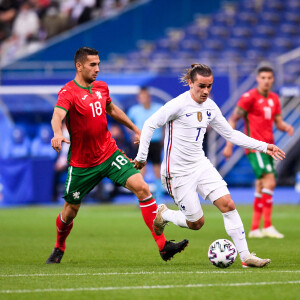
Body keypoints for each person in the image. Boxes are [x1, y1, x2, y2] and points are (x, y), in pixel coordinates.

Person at [134, 63, 286, 268]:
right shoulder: (177, 105)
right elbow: (150, 124)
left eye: (209, 86)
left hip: (200, 164)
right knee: (196, 223)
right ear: (190, 83)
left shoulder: (210, 107)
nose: (206, 91)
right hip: (176, 172)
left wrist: (264, 146)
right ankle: (165, 214)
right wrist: (142, 157)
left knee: (228, 204)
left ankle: (246, 256)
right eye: (201, 86)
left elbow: (230, 134)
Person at [46, 47, 188, 264]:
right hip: (82, 164)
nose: (97, 69)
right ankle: (59, 246)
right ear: (79, 66)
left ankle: (163, 246)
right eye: (93, 65)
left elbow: (111, 110)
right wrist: (57, 133)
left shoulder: (101, 87)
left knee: (142, 187)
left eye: (99, 64)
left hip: (109, 153)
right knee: (70, 211)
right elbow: (58, 114)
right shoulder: (68, 92)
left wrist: (135, 128)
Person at [223, 65, 294, 239]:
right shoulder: (249, 98)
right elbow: (232, 119)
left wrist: (286, 127)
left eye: (269, 78)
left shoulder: (274, 99)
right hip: (256, 147)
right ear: (257, 79)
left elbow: (278, 122)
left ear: (273, 80)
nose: (266, 81)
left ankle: (255, 228)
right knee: (270, 182)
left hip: (270, 147)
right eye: (263, 77)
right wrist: (229, 145)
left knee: (261, 185)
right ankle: (268, 225)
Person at [127, 87, 164, 202]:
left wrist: (163, 136)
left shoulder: (158, 108)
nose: (143, 99)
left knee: (157, 171)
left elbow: (165, 124)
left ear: (149, 97)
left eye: (145, 96)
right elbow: (128, 123)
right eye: (141, 97)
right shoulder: (134, 110)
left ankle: (158, 199)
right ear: (139, 98)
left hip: (155, 143)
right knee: (141, 171)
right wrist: (133, 134)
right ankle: (139, 198)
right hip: (141, 143)